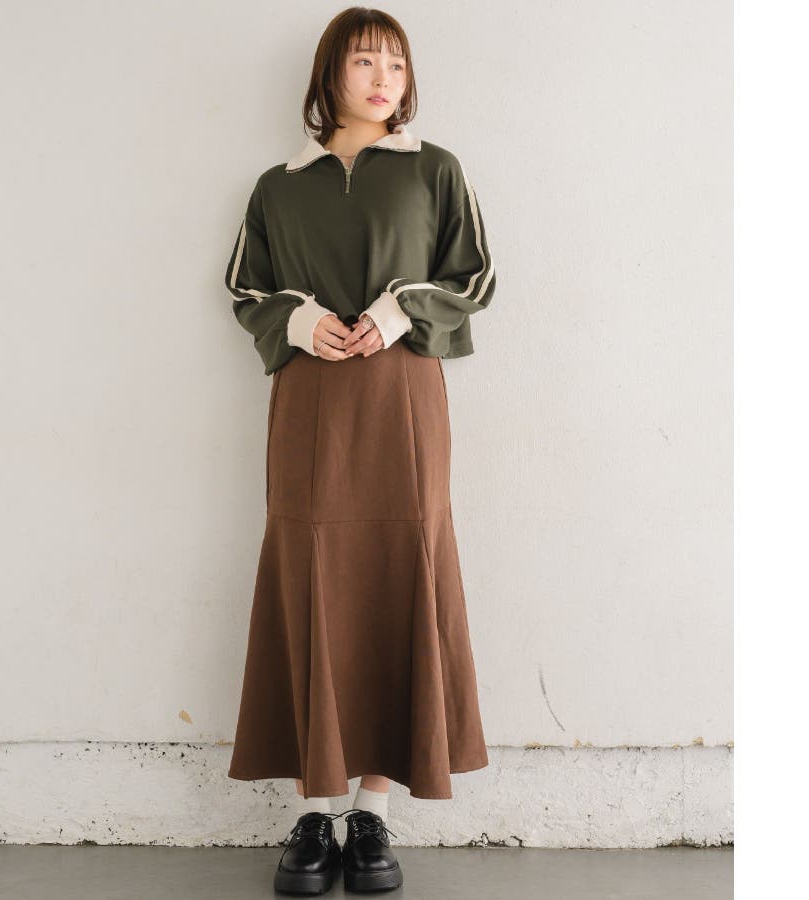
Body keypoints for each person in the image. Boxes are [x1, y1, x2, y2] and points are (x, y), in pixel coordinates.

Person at [222, 7, 496, 893]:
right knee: (310, 577)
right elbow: (244, 288)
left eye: (397, 65)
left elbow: (475, 276)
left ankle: (372, 812)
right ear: (329, 74)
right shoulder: (279, 186)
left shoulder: (435, 168)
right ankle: (314, 810)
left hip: (403, 402)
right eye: (365, 61)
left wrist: (397, 310)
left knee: (398, 575)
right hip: (310, 404)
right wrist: (301, 320)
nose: (384, 79)